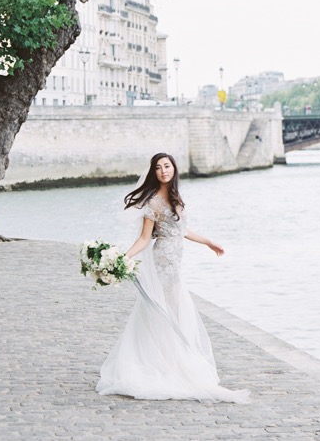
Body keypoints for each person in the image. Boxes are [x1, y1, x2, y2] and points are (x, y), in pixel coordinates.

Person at [96, 152, 250, 403]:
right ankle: (167, 363)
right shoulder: (153, 202)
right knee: (166, 312)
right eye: (158, 168)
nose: (163, 171)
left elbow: (182, 230)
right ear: (153, 173)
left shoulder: (177, 197)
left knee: (171, 312)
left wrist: (209, 242)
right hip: (163, 262)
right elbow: (144, 239)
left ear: (174, 169)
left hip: (175, 262)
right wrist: (122, 257)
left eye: (167, 166)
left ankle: (168, 360)